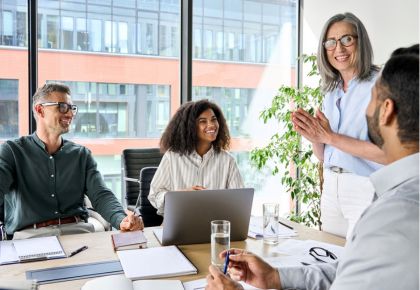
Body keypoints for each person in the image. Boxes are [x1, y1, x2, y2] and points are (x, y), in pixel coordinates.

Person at [205, 45, 419, 290]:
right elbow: (355, 268)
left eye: (371, 97)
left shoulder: (395, 215)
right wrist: (277, 277)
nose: (365, 109)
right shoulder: (400, 200)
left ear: (387, 111)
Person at [0, 83, 143, 240]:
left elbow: (101, 195)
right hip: (30, 237)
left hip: (78, 232)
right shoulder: (12, 151)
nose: (70, 113)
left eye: (72, 108)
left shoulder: (81, 154)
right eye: (62, 107)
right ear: (40, 110)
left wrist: (121, 219)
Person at [291, 13, 387, 238]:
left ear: (360, 42)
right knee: (330, 259)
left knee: (359, 266)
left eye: (347, 39)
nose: (339, 49)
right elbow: (327, 156)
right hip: (332, 188)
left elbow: (388, 154)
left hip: (365, 188)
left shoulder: (382, 84)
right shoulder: (330, 89)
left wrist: (329, 136)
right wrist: (315, 136)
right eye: (331, 42)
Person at [148, 99, 244, 215]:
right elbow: (155, 195)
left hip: (216, 225)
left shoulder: (228, 160)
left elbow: (240, 201)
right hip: (180, 224)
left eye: (214, 119)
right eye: (203, 121)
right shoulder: (172, 157)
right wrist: (180, 195)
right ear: (190, 127)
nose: (212, 125)